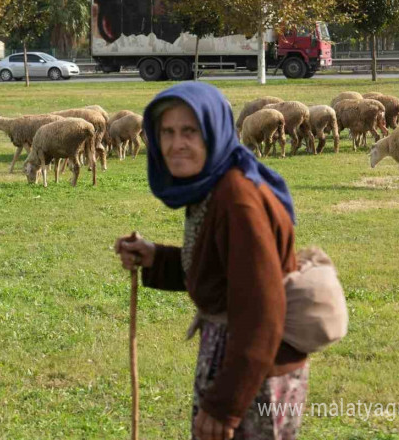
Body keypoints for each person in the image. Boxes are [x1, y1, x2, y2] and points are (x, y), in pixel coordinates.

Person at [114, 82, 308, 440]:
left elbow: (263, 313)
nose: (176, 144)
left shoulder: (238, 201)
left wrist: (225, 406)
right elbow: (222, 271)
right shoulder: (214, 186)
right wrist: (156, 257)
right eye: (167, 132)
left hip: (255, 371)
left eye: (190, 131)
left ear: (214, 133)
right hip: (238, 357)